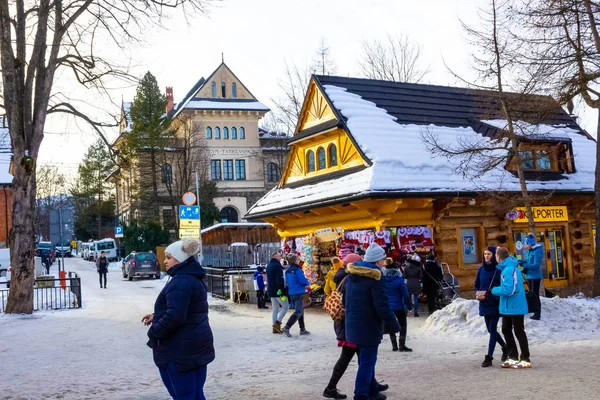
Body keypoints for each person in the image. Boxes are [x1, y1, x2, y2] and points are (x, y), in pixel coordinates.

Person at [141, 238, 215, 399]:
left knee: (184, 396)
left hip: (180, 352)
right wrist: (156, 316)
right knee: (195, 395)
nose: (164, 261)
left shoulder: (180, 281)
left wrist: (154, 332)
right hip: (195, 348)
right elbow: (190, 310)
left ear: (180, 259)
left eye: (169, 257)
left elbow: (175, 317)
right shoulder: (193, 278)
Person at [344, 243, 400, 400]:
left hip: (353, 323)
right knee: (367, 361)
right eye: (382, 259)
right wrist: (393, 323)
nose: (384, 262)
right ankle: (361, 394)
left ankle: (372, 389)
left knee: (365, 359)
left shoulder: (351, 276)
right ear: (377, 261)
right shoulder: (375, 277)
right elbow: (381, 305)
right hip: (368, 324)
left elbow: (344, 300)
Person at [491, 247, 531, 369]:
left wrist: (494, 290)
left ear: (498, 257)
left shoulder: (509, 269)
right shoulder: (508, 268)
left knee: (518, 331)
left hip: (515, 305)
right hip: (508, 306)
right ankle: (513, 356)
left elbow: (509, 289)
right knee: (506, 329)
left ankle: (525, 358)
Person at [474, 246, 507, 367]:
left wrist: (494, 292)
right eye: (485, 254)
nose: (486, 256)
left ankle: (489, 357)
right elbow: (476, 284)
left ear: (494, 255)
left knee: (492, 330)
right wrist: (478, 292)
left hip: (495, 302)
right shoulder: (481, 269)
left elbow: (503, 285)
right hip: (484, 302)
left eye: (489, 254)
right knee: (490, 330)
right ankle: (505, 347)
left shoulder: (498, 270)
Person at [384, 261, 412, 352]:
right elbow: (405, 295)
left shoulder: (382, 280)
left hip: (387, 307)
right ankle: (402, 345)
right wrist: (409, 306)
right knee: (403, 324)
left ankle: (394, 345)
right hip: (398, 306)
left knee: (391, 324)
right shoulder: (399, 280)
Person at [283, 254, 310, 337]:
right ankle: (287, 327)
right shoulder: (298, 270)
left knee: (300, 311)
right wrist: (307, 282)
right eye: (298, 260)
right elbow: (302, 281)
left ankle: (302, 328)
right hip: (299, 291)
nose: (299, 261)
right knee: (298, 311)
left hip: (291, 292)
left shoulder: (287, 270)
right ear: (295, 261)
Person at [520, 234, 543, 320]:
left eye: (527, 244)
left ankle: (537, 314)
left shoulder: (537, 251)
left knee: (535, 295)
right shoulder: (529, 251)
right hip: (529, 275)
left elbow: (536, 265)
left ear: (531, 243)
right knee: (531, 294)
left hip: (535, 276)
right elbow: (529, 260)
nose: (525, 246)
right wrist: (522, 261)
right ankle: (533, 310)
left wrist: (525, 264)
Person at [266, 251, 288, 334]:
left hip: (271, 290)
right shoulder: (277, 266)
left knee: (275, 308)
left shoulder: (269, 265)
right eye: (279, 256)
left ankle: (274, 327)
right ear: (275, 256)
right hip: (278, 290)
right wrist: (282, 289)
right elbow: (280, 279)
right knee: (285, 306)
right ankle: (277, 323)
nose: (281, 257)